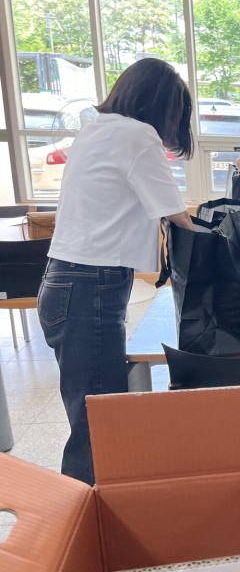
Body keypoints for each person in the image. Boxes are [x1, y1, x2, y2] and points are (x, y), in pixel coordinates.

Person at [37, 58, 194, 485]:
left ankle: (93, 503)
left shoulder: (96, 129)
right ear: (162, 106)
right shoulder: (137, 135)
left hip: (65, 281)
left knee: (88, 409)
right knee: (97, 418)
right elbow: (176, 214)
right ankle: (87, 510)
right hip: (90, 285)